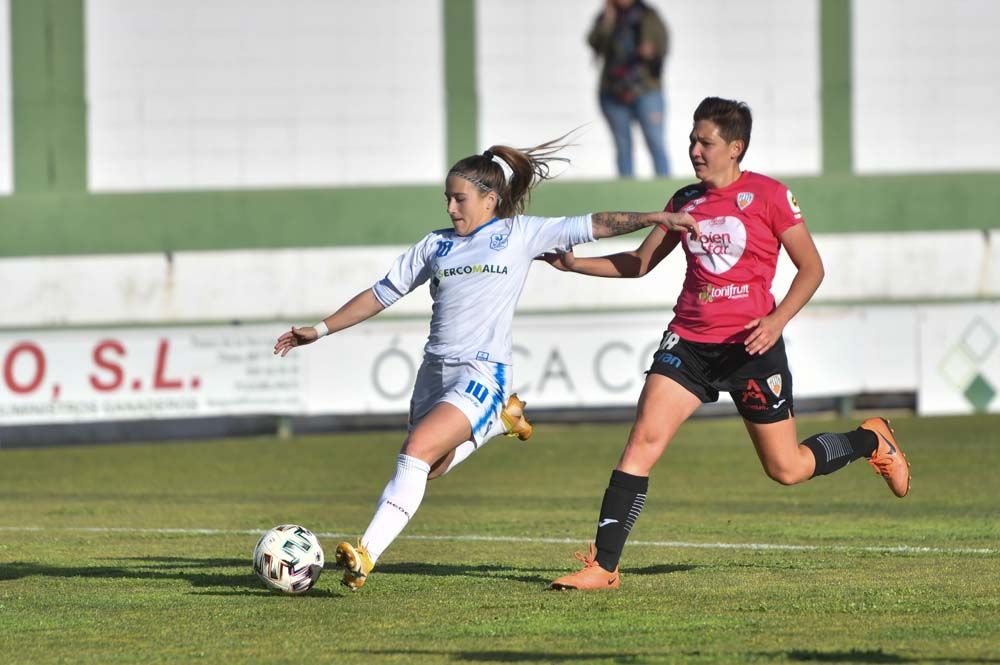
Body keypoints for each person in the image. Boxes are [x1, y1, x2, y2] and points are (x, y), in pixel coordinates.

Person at [273, 138, 699, 591]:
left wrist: (654, 219)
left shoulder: (519, 234)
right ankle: (498, 422)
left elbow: (594, 224)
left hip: (482, 373)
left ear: (490, 199)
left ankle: (365, 554)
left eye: (460, 198)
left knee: (416, 450)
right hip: (434, 372)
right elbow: (379, 294)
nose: (452, 209)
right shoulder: (435, 245)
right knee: (429, 467)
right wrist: (317, 330)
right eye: (448, 199)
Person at [543, 97, 912, 591]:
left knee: (787, 469)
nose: (695, 149)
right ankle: (603, 566)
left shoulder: (770, 196)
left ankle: (872, 440)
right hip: (689, 344)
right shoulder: (683, 201)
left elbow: (812, 268)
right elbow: (638, 263)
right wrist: (574, 265)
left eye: (705, 142)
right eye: (693, 139)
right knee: (641, 444)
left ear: (735, 148)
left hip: (751, 349)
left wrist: (777, 320)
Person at [588, 0, 670, 177]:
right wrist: (608, 21)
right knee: (623, 145)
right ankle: (626, 189)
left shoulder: (649, 15)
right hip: (613, 91)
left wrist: (652, 51)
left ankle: (667, 189)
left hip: (646, 89)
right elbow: (594, 42)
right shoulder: (607, 17)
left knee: (655, 140)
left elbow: (663, 44)